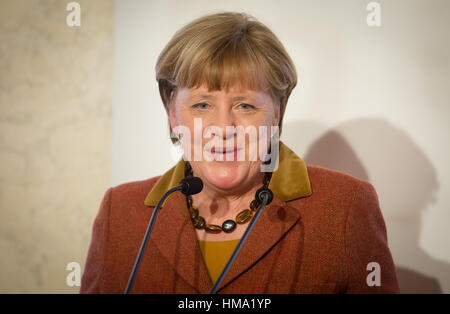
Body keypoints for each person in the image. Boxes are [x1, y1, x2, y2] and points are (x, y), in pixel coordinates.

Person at [80, 11, 399, 294]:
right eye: (202, 105)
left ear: (275, 114)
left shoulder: (345, 206)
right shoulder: (119, 212)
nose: (224, 126)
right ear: (174, 115)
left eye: (245, 105)